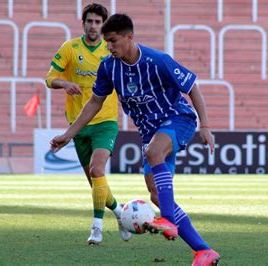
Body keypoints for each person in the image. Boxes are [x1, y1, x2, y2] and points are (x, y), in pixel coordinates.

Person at [51, 13, 220, 266]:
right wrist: (68, 134)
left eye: (113, 41)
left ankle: (169, 221)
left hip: (178, 118)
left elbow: (192, 86)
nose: (108, 46)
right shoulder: (109, 66)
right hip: (149, 132)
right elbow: (94, 103)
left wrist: (205, 125)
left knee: (154, 154)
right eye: (107, 42)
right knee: (156, 195)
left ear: (129, 37)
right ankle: (204, 251)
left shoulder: (157, 60)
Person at [45, 3, 131, 245]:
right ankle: (121, 214)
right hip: (78, 124)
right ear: (83, 23)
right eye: (90, 21)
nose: (93, 26)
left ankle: (96, 228)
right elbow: (49, 77)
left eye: (97, 22)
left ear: (103, 25)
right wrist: (64, 84)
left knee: (97, 170)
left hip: (105, 121)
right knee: (95, 182)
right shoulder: (70, 48)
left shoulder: (111, 49)